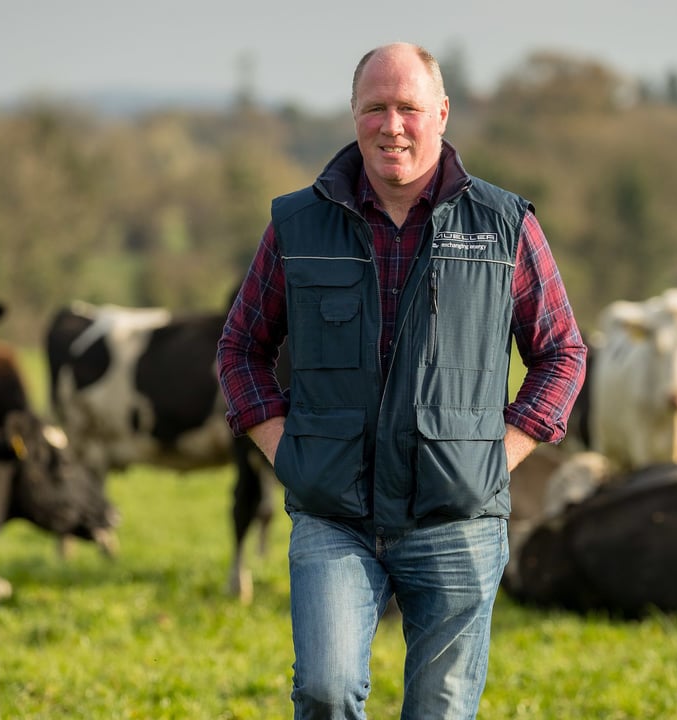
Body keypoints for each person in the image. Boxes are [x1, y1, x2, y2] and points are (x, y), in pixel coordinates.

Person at [217, 42, 587, 719]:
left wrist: (497, 458)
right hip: (335, 515)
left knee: (440, 710)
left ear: (441, 114)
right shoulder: (298, 225)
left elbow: (561, 353)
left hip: (458, 519)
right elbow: (241, 348)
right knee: (324, 690)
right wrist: (285, 452)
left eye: (409, 108)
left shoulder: (503, 225)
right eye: (375, 108)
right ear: (353, 113)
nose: (392, 126)